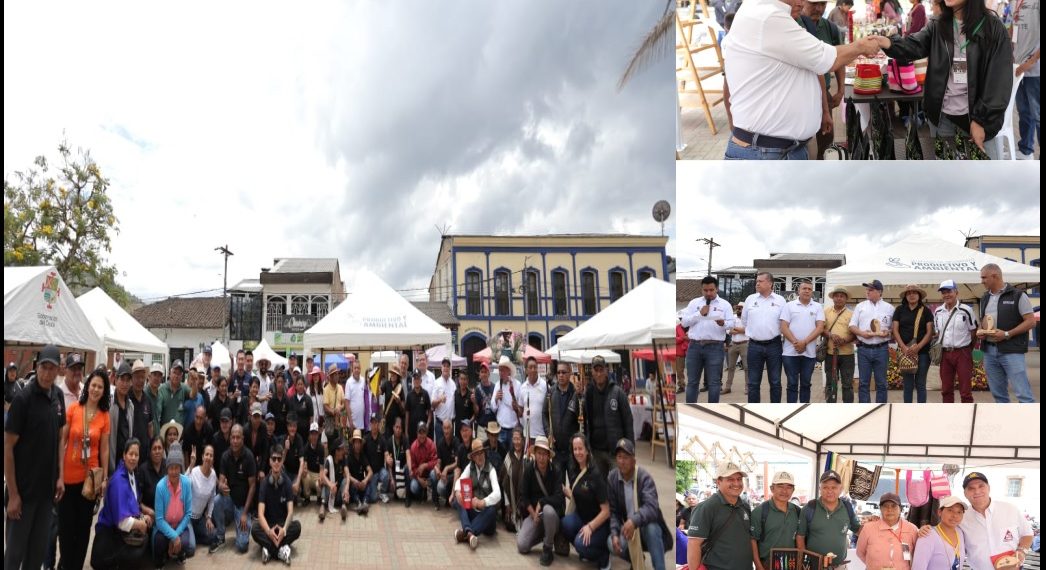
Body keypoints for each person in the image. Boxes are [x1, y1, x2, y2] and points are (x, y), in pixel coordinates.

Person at [721, 0, 882, 159]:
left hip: (776, 149)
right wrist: (860, 46)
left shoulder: (763, 12)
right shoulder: (769, 16)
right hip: (768, 152)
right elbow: (824, 59)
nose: (802, 2)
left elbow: (813, 66)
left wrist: (824, 110)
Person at [875, 0, 1013, 159]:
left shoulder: (993, 28)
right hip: (941, 117)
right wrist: (887, 42)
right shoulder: (938, 24)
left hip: (975, 122)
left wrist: (981, 120)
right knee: (945, 174)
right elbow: (914, 46)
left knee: (979, 178)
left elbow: (999, 83)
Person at [57, 368, 111, 570]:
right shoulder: (73, 410)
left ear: (104, 391)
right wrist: (59, 475)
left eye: (100, 387)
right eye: (93, 385)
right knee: (65, 530)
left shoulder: (105, 416)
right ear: (87, 386)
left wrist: (105, 477)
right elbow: (62, 441)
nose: (96, 389)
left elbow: (104, 450)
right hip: (68, 478)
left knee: (83, 530)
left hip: (90, 482)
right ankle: (66, 565)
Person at [607, 439, 672, 570]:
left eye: (626, 457)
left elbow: (651, 508)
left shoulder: (644, 477)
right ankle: (636, 558)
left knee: (652, 528)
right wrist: (614, 533)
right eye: (619, 457)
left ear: (634, 460)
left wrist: (633, 521)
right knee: (610, 542)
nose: (622, 461)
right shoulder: (612, 478)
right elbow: (614, 512)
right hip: (628, 529)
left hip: (644, 527)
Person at [977, 263, 1037, 402]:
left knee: (1023, 395)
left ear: (995, 276)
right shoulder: (985, 297)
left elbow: (1031, 322)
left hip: (1012, 351)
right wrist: (982, 330)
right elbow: (985, 320)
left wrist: (1006, 334)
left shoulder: (1018, 295)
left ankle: (1030, 423)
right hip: (989, 352)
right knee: (998, 395)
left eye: (984, 277)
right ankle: (1005, 423)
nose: (982, 281)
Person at [91, 439, 154, 569]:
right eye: (131, 454)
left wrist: (142, 516)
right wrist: (140, 523)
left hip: (120, 532)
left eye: (136, 455)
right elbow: (121, 522)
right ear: (124, 455)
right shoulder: (118, 480)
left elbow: (132, 505)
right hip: (110, 536)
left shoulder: (131, 475)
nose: (133, 458)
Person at [798, 0, 847, 160]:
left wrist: (840, 91)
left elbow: (840, 60)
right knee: (799, 142)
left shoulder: (830, 28)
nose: (819, 8)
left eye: (823, 4)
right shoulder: (792, 24)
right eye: (814, 4)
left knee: (826, 138)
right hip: (798, 93)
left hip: (823, 93)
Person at [956, 472, 1034, 568]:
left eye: (981, 486)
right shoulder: (961, 517)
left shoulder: (1010, 509)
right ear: (965, 493)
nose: (977, 491)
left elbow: (1027, 534)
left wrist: (1022, 551)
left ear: (988, 488)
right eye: (971, 488)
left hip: (1012, 568)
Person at [687, 462, 753, 570]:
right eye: (730, 479)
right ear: (718, 482)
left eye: (739, 479)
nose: (736, 483)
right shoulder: (706, 507)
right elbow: (694, 544)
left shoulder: (744, 506)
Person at [680, 276, 734, 403]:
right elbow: (684, 323)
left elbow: (731, 324)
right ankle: (691, 409)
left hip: (715, 347)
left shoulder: (725, 305)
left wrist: (723, 324)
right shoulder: (694, 303)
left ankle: (713, 409)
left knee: (714, 383)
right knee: (692, 382)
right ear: (701, 289)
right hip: (694, 346)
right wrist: (699, 314)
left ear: (717, 289)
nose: (708, 293)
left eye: (711, 290)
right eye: (705, 290)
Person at [562, 434, 612, 569]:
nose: (578, 452)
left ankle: (603, 556)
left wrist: (591, 527)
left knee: (580, 544)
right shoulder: (574, 469)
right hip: (582, 517)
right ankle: (587, 550)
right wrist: (563, 490)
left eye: (580, 448)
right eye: (575, 449)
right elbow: (580, 494)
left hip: (600, 523)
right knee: (565, 524)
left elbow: (607, 511)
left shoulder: (596, 474)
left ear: (587, 450)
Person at [797, 470, 864, 565]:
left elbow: (858, 530)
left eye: (834, 487)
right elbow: (800, 537)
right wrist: (803, 562)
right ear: (820, 488)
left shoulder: (847, 507)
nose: (830, 491)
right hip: (814, 566)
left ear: (840, 489)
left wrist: (874, 525)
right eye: (825, 487)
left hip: (840, 566)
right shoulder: (809, 508)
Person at [516, 436, 564, 566]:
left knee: (548, 510)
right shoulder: (529, 470)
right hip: (535, 515)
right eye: (539, 453)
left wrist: (542, 502)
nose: (542, 458)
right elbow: (523, 496)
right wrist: (533, 513)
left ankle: (548, 548)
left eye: (544, 454)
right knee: (522, 545)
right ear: (534, 454)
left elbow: (559, 498)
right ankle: (547, 534)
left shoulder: (556, 471)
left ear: (549, 456)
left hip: (551, 515)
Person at [583, 356, 633, 478]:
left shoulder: (618, 392)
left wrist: (631, 450)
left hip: (615, 451)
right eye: (596, 370)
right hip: (596, 451)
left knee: (618, 486)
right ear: (592, 372)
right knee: (600, 489)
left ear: (606, 370)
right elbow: (586, 422)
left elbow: (628, 421)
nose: (599, 373)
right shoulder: (588, 394)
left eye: (601, 370)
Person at [252, 443, 302, 564]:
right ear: (269, 461)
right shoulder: (264, 484)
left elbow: (290, 512)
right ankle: (282, 550)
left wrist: (284, 530)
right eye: (273, 459)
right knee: (254, 529)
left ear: (282, 462)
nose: (276, 462)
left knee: (297, 527)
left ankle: (269, 549)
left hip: (282, 524)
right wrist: (269, 532)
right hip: (268, 526)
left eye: (279, 459)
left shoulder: (287, 482)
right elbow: (260, 514)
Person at [742, 272, 788, 402]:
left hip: (774, 345)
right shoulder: (750, 299)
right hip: (754, 346)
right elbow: (745, 321)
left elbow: (784, 322)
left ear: (770, 283)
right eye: (757, 281)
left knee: (775, 382)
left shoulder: (780, 300)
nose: (757, 283)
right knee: (753, 383)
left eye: (760, 281)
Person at [453, 438, 503, 550]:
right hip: (474, 513)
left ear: (484, 453)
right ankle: (470, 534)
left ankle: (465, 533)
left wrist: (483, 502)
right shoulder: (470, 467)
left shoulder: (491, 470)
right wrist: (457, 492)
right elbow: (460, 480)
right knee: (459, 501)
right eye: (476, 454)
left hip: (487, 519)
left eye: (481, 453)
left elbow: (498, 494)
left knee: (492, 510)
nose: (479, 456)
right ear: (473, 457)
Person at [849, 280, 894, 403]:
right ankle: (865, 409)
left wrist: (888, 332)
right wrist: (862, 333)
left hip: (882, 349)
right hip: (864, 349)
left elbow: (894, 328)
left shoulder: (889, 308)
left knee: (882, 383)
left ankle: (881, 409)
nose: (867, 292)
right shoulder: (860, 306)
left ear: (879, 291)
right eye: (867, 289)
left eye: (871, 289)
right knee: (863, 383)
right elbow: (852, 326)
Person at [780, 281, 825, 403]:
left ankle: (805, 407)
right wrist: (796, 343)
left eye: (809, 289)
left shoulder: (817, 307)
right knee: (792, 384)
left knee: (806, 384)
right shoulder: (789, 306)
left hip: (809, 353)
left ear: (812, 292)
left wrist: (804, 342)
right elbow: (783, 327)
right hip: (790, 353)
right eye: (804, 288)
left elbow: (820, 328)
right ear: (798, 291)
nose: (806, 291)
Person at [933, 279, 978, 403]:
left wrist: (968, 349)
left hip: (962, 352)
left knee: (965, 390)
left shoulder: (966, 310)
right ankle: (949, 416)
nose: (946, 295)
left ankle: (967, 417)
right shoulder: (937, 311)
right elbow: (938, 332)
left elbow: (974, 331)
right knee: (946, 389)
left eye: (949, 291)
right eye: (943, 292)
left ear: (956, 292)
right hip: (945, 354)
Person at [215, 423, 257, 553]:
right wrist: (221, 486)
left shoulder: (249, 457)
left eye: (238, 437)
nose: (235, 441)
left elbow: (253, 486)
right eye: (233, 437)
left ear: (243, 439)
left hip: (242, 507)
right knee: (217, 500)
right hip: (229, 501)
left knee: (242, 546)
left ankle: (244, 524)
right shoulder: (225, 456)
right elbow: (220, 481)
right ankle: (220, 536)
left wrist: (245, 513)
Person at [152, 442, 194, 567]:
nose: (174, 471)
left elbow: (188, 514)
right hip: (164, 527)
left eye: (177, 467)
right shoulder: (160, 487)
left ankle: (178, 554)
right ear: (167, 468)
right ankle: (161, 560)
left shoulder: (186, 483)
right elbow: (159, 520)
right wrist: (174, 536)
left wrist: (177, 535)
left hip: (180, 525)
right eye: (171, 468)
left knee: (185, 543)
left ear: (181, 468)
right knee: (159, 541)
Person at [892, 284, 935, 403]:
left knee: (921, 384)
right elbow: (895, 330)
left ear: (919, 295)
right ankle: (907, 411)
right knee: (908, 385)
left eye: (914, 292)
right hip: (905, 352)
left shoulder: (926, 311)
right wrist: (904, 347)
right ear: (905, 296)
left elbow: (929, 331)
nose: (911, 295)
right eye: (909, 293)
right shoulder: (899, 310)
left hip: (923, 353)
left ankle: (920, 412)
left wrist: (918, 347)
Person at [750, 471, 801, 570]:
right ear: (772, 488)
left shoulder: (797, 511)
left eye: (789, 487)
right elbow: (753, 541)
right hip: (766, 565)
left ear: (793, 490)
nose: (784, 491)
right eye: (780, 486)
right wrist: (759, 566)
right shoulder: (759, 512)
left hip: (791, 564)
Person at [856, 491, 918, 569]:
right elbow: (860, 553)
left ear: (900, 509)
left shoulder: (912, 529)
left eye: (893, 506)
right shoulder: (868, 528)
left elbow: (918, 555)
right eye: (885, 506)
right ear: (880, 509)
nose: (889, 509)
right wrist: (873, 566)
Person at [1012, 0, 1039, 160]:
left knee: (1038, 115)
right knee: (1024, 112)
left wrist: (1030, 63)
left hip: (1035, 70)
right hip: (1018, 67)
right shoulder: (1018, 2)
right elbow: (1015, 30)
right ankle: (1026, 150)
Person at [912, 496, 968, 569]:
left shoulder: (960, 532)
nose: (955, 515)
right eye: (950, 510)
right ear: (939, 512)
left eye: (959, 512)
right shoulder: (928, 535)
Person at [822, 287, 856, 403]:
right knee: (830, 384)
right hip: (830, 354)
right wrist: (831, 335)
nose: (839, 298)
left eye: (842, 296)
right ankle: (831, 408)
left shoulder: (852, 314)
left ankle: (847, 409)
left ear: (846, 299)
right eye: (837, 296)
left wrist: (845, 340)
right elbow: (821, 329)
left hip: (847, 354)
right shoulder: (826, 311)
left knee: (847, 384)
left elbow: (855, 333)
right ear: (833, 298)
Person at [549, 362, 581, 475]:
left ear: (569, 373)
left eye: (564, 372)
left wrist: (580, 396)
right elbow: (544, 414)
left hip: (572, 450)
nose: (561, 375)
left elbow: (582, 416)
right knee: (558, 486)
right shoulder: (551, 392)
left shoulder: (575, 392)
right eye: (558, 372)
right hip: (556, 450)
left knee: (574, 484)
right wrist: (549, 432)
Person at [188, 444, 220, 554]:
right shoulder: (195, 472)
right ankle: (192, 537)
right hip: (187, 518)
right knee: (191, 549)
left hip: (200, 518)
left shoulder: (214, 475)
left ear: (213, 459)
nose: (208, 457)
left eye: (211, 455)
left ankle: (194, 535)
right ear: (202, 457)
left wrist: (209, 517)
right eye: (206, 454)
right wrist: (191, 465)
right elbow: (183, 485)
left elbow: (212, 499)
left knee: (214, 535)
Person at [493, 356, 523, 453]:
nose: (501, 373)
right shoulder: (497, 385)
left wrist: (515, 406)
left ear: (509, 371)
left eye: (503, 370)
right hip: (501, 429)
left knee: (513, 455)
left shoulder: (517, 385)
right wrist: (496, 399)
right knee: (501, 456)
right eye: (500, 370)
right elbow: (493, 408)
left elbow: (521, 408)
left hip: (514, 430)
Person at [502, 427, 527, 532]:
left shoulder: (527, 458)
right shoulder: (508, 458)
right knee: (510, 526)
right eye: (514, 439)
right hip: (511, 503)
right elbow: (504, 484)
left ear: (523, 440)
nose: (516, 442)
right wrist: (507, 504)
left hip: (525, 502)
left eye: (519, 439)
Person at [519, 356, 549, 443]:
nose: (533, 370)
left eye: (535, 367)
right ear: (526, 370)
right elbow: (520, 410)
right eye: (530, 367)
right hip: (527, 435)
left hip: (542, 434)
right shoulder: (522, 387)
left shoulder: (545, 386)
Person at [408, 421, 438, 507]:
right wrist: (418, 479)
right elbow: (413, 468)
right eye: (420, 432)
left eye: (423, 432)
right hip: (419, 476)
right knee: (413, 487)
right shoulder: (413, 447)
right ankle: (421, 494)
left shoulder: (431, 444)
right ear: (417, 433)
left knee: (433, 473)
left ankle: (435, 497)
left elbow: (435, 461)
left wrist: (425, 465)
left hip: (429, 474)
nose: (421, 435)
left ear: (426, 433)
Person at [344, 429, 374, 515]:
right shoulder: (349, 457)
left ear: (361, 444)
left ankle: (365, 503)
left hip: (362, 484)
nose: (357, 445)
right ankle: (358, 504)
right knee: (352, 486)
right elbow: (346, 474)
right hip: (354, 485)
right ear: (353, 444)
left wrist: (365, 481)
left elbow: (370, 471)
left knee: (369, 483)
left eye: (359, 443)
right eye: (355, 443)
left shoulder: (363, 456)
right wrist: (354, 481)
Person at [320, 438, 350, 521]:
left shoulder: (344, 458)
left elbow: (347, 474)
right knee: (325, 483)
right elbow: (323, 475)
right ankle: (322, 507)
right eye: (341, 449)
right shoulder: (329, 460)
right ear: (336, 451)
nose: (343, 451)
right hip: (329, 494)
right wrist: (330, 484)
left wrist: (347, 489)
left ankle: (344, 506)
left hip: (339, 495)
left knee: (344, 480)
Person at [139, 437, 167, 521]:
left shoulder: (168, 466)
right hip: (149, 517)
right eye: (154, 448)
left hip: (167, 516)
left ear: (163, 450)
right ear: (150, 451)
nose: (157, 451)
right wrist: (149, 511)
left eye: (159, 448)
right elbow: (137, 500)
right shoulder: (143, 470)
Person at [432, 419, 458, 511]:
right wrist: (438, 468)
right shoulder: (440, 443)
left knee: (444, 484)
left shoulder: (456, 442)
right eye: (444, 428)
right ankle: (435, 501)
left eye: (448, 428)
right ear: (442, 429)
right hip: (444, 475)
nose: (446, 431)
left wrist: (447, 468)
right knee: (433, 473)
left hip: (454, 474)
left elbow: (457, 463)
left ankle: (450, 499)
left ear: (452, 429)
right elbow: (439, 461)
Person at [385, 417, 412, 506]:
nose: (398, 430)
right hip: (394, 471)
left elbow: (408, 455)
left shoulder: (405, 440)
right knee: (394, 491)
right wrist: (392, 479)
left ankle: (408, 497)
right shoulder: (389, 441)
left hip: (403, 470)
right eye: (396, 427)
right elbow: (389, 463)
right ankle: (397, 487)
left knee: (407, 468)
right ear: (393, 428)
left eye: (400, 428)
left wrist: (410, 468)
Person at [280, 411, 306, 503]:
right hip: (286, 473)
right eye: (290, 426)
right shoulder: (284, 439)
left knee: (296, 491)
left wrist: (298, 481)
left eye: (294, 426)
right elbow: (280, 462)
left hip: (295, 474)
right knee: (280, 468)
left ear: (296, 427)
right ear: (287, 427)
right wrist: (285, 450)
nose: (292, 429)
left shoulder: (299, 439)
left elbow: (302, 461)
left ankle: (291, 493)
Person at [364, 413, 390, 503]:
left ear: (378, 424)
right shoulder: (366, 439)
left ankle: (383, 492)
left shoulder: (382, 439)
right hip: (371, 472)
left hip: (380, 469)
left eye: (376, 423)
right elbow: (363, 456)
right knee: (373, 498)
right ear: (370, 424)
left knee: (386, 475)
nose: (374, 425)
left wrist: (388, 458)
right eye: (372, 423)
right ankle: (374, 491)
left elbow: (386, 453)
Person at [724, 303, 749, 396]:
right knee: (730, 367)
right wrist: (741, 330)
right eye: (738, 308)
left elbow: (749, 329)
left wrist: (736, 330)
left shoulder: (748, 319)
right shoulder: (733, 317)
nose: (739, 310)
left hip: (745, 344)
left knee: (747, 367)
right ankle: (728, 387)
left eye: (741, 308)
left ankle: (748, 388)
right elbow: (728, 330)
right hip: (733, 344)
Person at [431, 358, 456, 447]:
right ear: (441, 368)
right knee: (440, 451)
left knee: (450, 452)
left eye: (447, 366)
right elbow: (432, 404)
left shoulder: (453, 384)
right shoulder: (436, 382)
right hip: (440, 424)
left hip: (450, 424)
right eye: (444, 366)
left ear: (450, 368)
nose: (445, 368)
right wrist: (439, 400)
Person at [156, 360, 189, 428]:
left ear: (182, 376)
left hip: (179, 433)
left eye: (179, 373)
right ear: (169, 373)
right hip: (165, 432)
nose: (176, 376)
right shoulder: (162, 389)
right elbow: (157, 413)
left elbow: (193, 395)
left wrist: (194, 381)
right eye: (174, 372)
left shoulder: (184, 388)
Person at [181, 405, 214, 472]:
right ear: (194, 415)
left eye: (201, 418)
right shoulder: (188, 431)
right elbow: (186, 453)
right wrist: (189, 471)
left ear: (205, 418)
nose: (198, 421)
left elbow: (211, 451)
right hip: (192, 466)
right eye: (197, 417)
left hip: (205, 465)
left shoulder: (209, 430)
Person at [406, 368, 434, 444]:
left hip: (422, 430)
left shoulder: (425, 394)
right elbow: (407, 413)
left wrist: (427, 425)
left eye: (418, 378)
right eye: (415, 379)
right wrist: (406, 431)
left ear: (421, 380)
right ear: (413, 381)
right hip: (412, 429)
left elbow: (430, 411)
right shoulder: (409, 395)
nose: (416, 381)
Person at [302, 422, 326, 508]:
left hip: (317, 474)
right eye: (312, 434)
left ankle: (319, 497)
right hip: (309, 472)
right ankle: (307, 497)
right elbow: (305, 462)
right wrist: (304, 469)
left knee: (319, 482)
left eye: (315, 434)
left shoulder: (321, 448)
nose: (313, 436)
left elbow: (321, 467)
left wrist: (321, 476)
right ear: (309, 435)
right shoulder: (306, 447)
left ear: (318, 435)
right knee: (304, 476)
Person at [130, 360, 156, 441]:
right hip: (130, 451)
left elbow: (150, 426)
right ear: (132, 379)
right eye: (137, 377)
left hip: (145, 449)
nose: (140, 380)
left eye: (142, 377)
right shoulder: (126, 398)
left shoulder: (147, 400)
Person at [344, 359, 369, 434]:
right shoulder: (349, 382)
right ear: (352, 369)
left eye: (358, 368)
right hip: (352, 424)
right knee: (352, 445)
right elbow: (347, 403)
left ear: (360, 369)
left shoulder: (363, 381)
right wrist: (351, 422)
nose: (356, 370)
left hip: (362, 423)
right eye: (355, 368)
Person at [381, 364, 407, 437]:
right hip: (387, 421)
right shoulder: (386, 384)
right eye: (391, 373)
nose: (392, 375)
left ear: (397, 375)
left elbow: (403, 409)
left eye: (394, 373)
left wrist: (399, 402)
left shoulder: (400, 387)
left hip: (397, 422)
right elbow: (379, 392)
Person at [453, 369, 477, 435]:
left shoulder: (471, 395)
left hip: (468, 428)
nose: (463, 382)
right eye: (461, 379)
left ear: (467, 380)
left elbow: (476, 413)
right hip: (458, 429)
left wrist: (469, 422)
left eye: (465, 379)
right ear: (458, 380)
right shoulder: (455, 393)